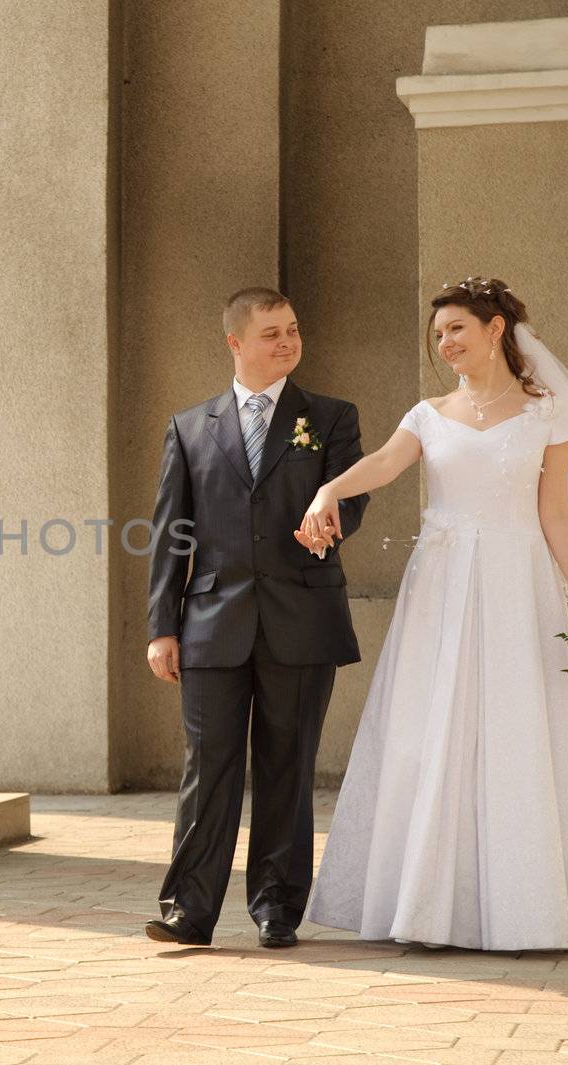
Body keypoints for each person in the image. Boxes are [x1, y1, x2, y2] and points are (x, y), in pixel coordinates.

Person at [301, 277, 568, 951]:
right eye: (439, 334)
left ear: (495, 330)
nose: (445, 343)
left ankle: (525, 906)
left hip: (519, 581)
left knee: (517, 730)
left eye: (456, 328)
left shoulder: (548, 416)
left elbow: (557, 513)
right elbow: (387, 464)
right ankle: (426, 902)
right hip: (442, 586)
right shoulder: (428, 414)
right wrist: (328, 488)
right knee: (432, 727)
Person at [143, 287, 369, 949]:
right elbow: (169, 533)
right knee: (207, 766)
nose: (288, 342)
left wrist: (331, 524)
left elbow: (350, 497)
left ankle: (277, 906)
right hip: (211, 623)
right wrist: (161, 626)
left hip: (302, 617)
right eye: (272, 333)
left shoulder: (329, 416)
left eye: (293, 329)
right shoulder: (189, 427)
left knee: (286, 765)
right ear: (235, 342)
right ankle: (189, 909)